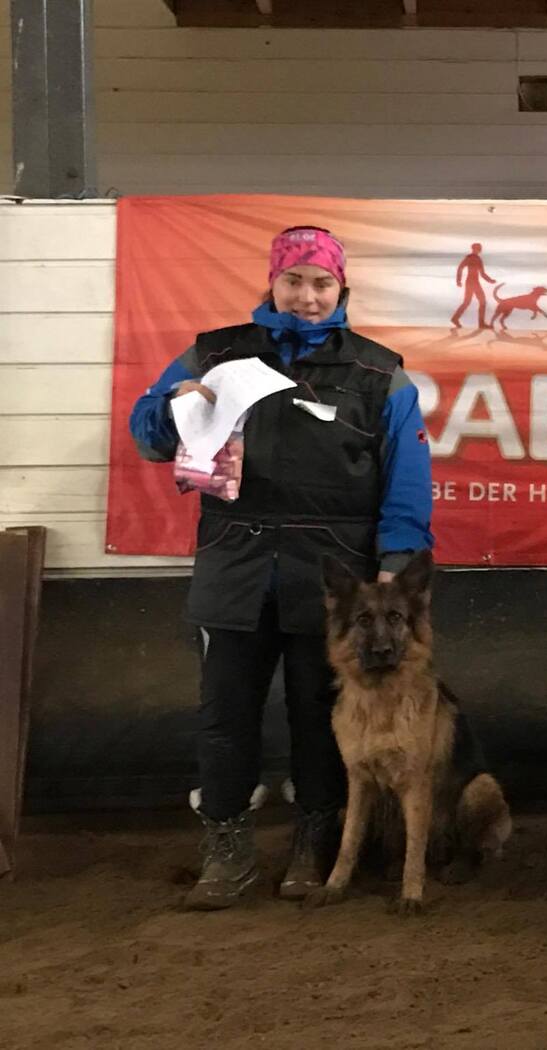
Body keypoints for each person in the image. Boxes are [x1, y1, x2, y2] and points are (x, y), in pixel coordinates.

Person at [129, 225, 434, 911]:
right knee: (224, 715)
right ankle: (226, 849)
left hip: (334, 584)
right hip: (233, 568)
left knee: (319, 714)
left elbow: (407, 476)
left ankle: (313, 845)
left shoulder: (380, 373)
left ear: (341, 288)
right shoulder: (213, 354)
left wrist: (395, 563)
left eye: (321, 283)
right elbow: (147, 435)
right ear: (272, 282)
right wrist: (178, 406)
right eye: (293, 280)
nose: (306, 296)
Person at [452, 242, 496, 329]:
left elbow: (482, 273)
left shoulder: (478, 259)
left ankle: (456, 318)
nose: (479, 250)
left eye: (479, 249)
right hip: (471, 282)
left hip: (474, 282)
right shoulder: (469, 258)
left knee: (475, 302)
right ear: (474, 249)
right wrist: (458, 280)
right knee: (476, 302)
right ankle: (480, 323)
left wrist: (490, 280)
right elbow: (460, 268)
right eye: (478, 248)